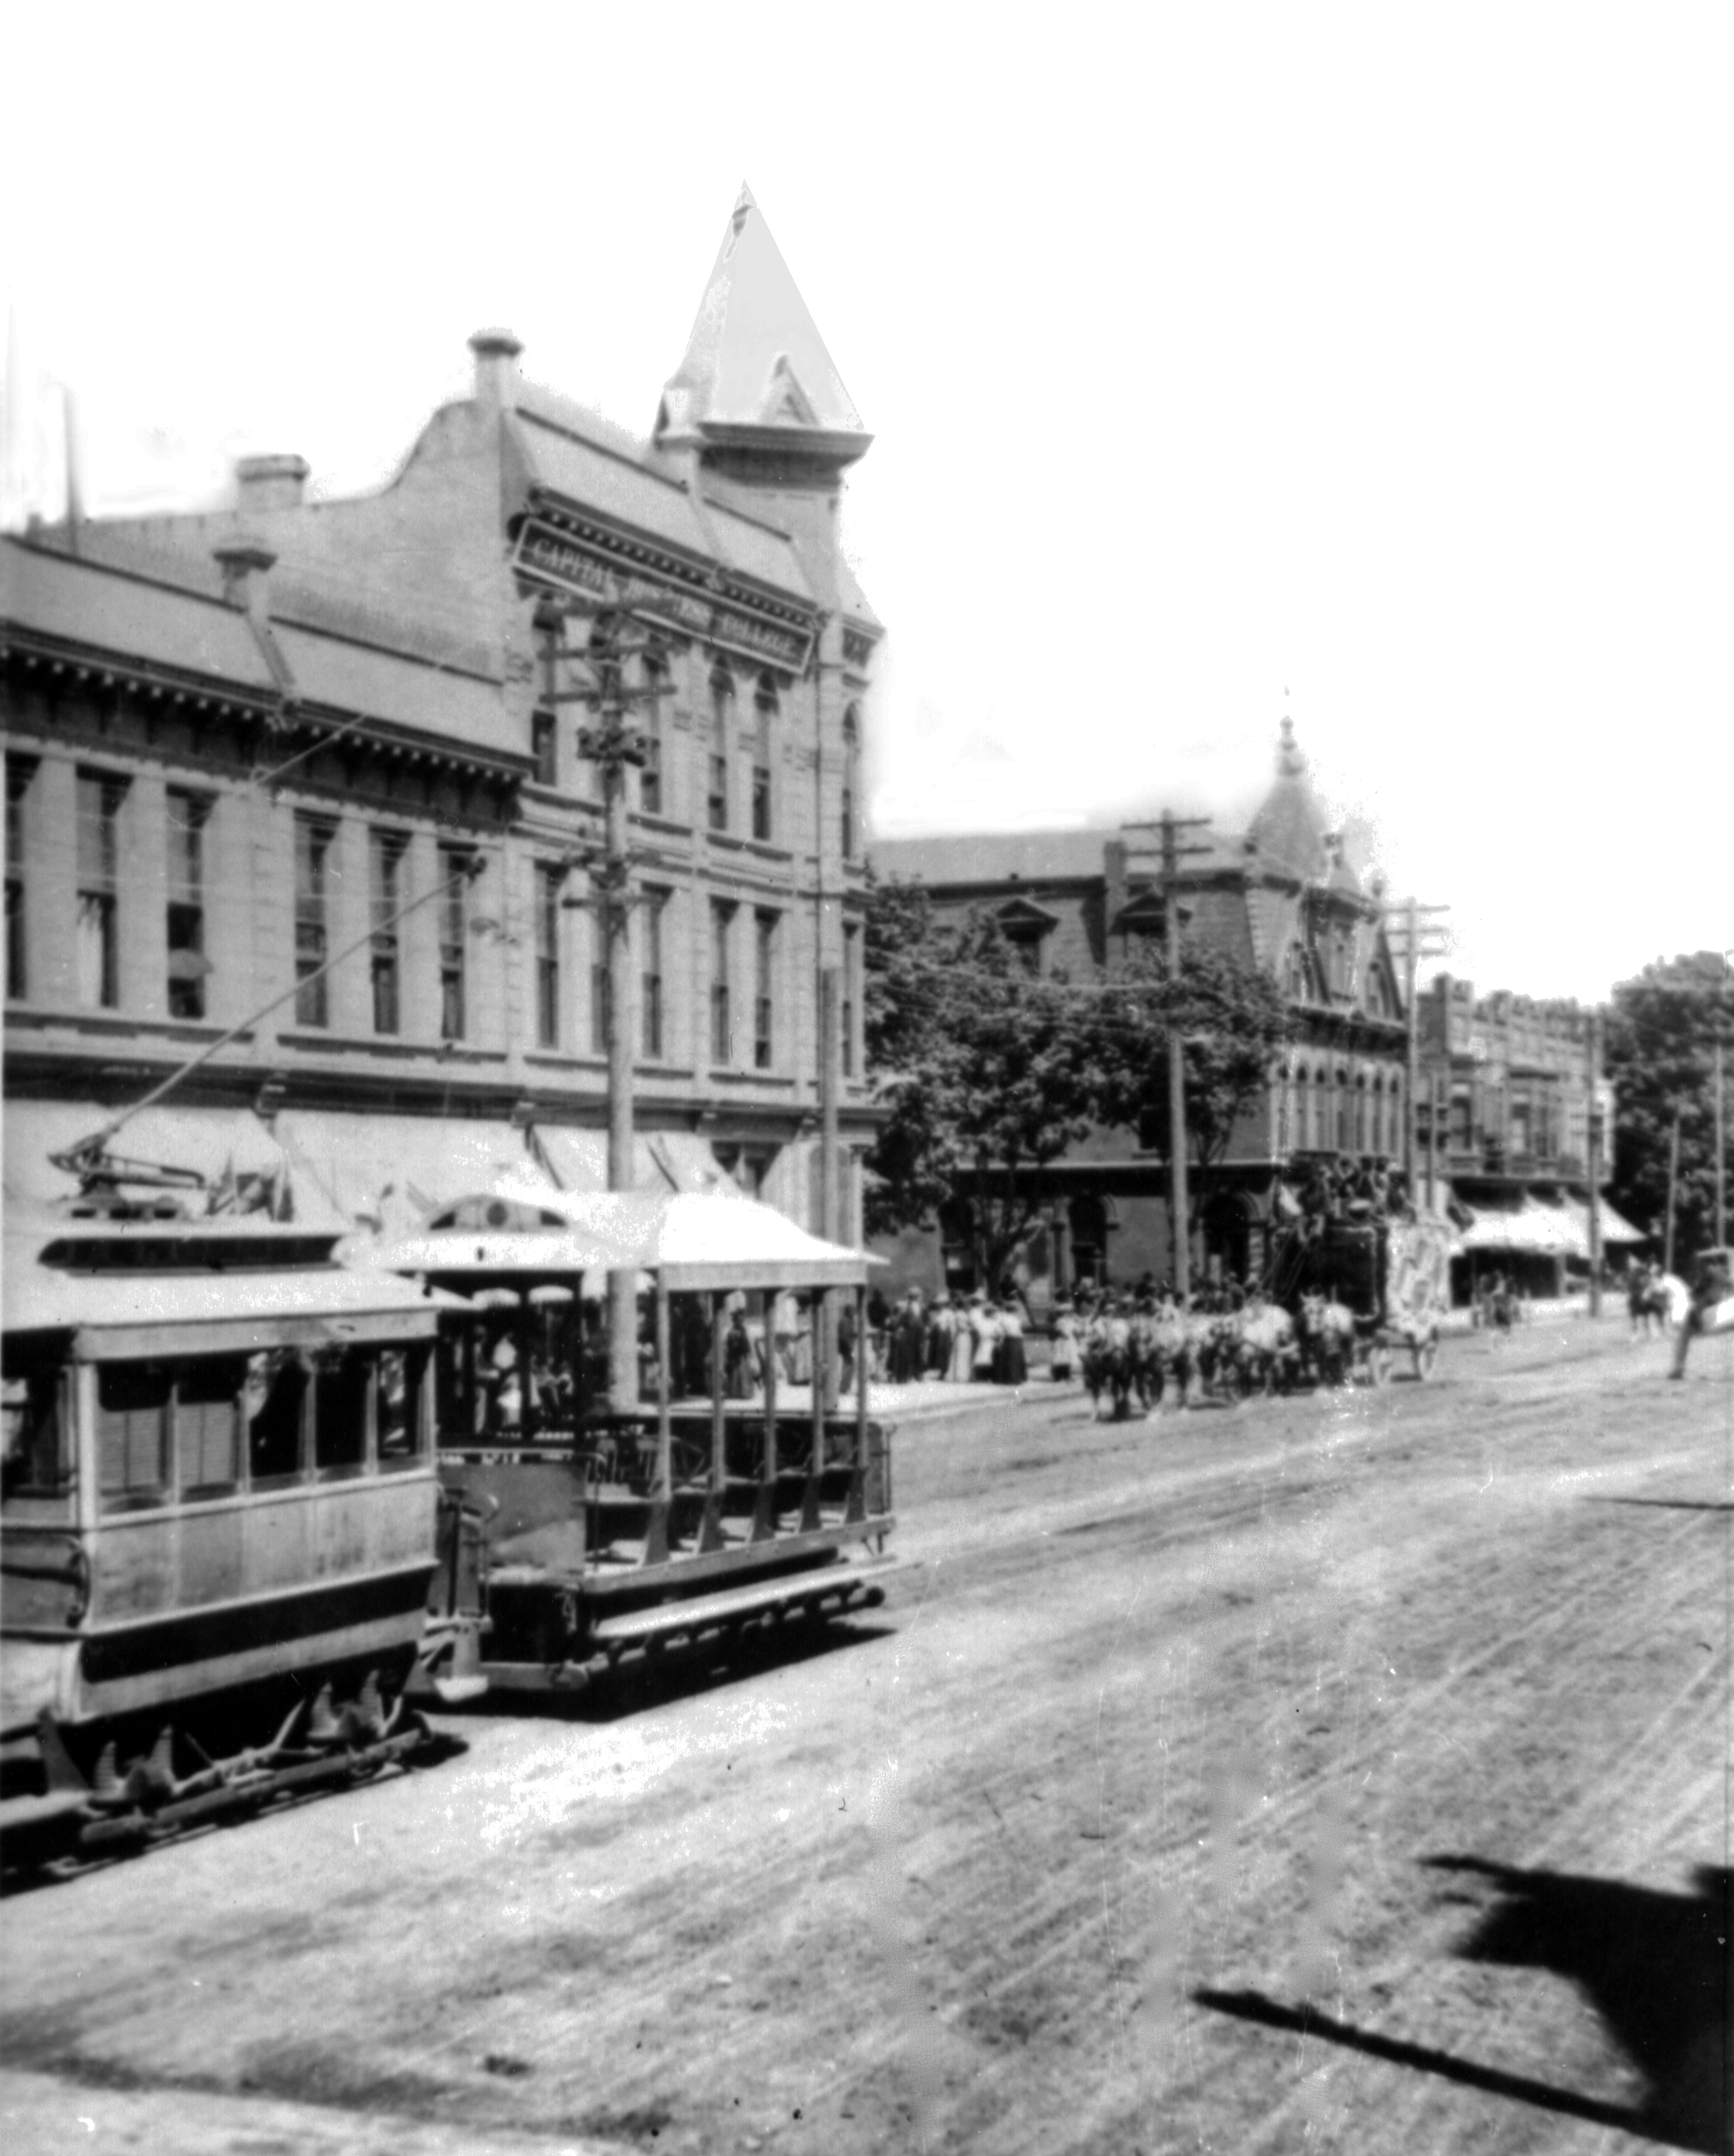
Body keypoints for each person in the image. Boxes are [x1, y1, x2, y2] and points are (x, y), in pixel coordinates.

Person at [1668, 1246, 1733, 1379]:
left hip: (1709, 1301)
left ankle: (1678, 1367)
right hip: (1709, 1299)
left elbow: (1726, 1284)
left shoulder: (1711, 1271)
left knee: (1686, 1326)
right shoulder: (1710, 1271)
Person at [1050, 1299, 1078, 1382]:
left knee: (1068, 1358)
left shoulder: (1072, 1321)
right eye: (1065, 1313)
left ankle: (1067, 1374)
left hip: (1069, 1341)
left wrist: (1075, 1336)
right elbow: (1058, 1330)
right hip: (1062, 1341)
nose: (1067, 1314)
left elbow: (1075, 1330)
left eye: (1068, 1312)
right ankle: (1058, 1375)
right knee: (1060, 1357)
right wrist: (1063, 1334)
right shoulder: (1059, 1321)